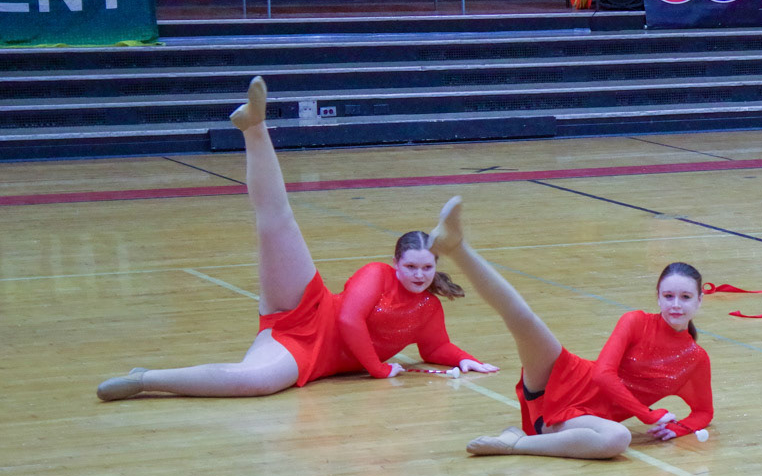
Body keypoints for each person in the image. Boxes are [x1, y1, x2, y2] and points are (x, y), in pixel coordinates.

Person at [95, 78, 495, 400]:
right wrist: (376, 369)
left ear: (436, 267)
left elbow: (434, 349)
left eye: (426, 268)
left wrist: (464, 359)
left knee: (253, 382)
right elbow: (347, 319)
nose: (420, 275)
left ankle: (146, 379)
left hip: (306, 353)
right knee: (277, 222)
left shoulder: (428, 307)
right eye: (411, 267)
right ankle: (255, 126)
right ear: (396, 264)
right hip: (309, 308)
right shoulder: (376, 275)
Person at [426, 196, 713, 459]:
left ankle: (517, 443)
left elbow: (703, 411)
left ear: (699, 300)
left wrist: (677, 428)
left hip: (582, 418)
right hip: (568, 375)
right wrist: (646, 414)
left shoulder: (696, 359)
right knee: (523, 319)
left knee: (618, 437)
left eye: (685, 297)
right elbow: (602, 374)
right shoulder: (636, 321)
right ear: (658, 297)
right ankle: (457, 247)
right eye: (668, 296)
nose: (676, 304)